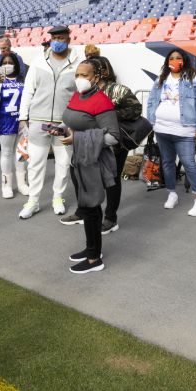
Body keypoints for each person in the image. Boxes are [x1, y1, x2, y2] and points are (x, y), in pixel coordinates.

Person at [59, 60, 122, 274]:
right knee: (86, 206)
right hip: (80, 159)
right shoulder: (78, 95)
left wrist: (78, 138)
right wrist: (60, 129)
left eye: (84, 75)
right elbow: (72, 120)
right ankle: (90, 249)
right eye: (77, 74)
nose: (79, 79)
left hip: (94, 162)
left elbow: (113, 137)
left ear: (96, 77)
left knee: (92, 207)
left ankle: (95, 259)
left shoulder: (102, 101)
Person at [18, 26, 78, 219]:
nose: (57, 41)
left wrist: (75, 120)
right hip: (38, 120)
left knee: (63, 162)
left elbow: (79, 95)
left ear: (68, 40)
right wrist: (23, 115)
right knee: (35, 163)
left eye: (61, 38)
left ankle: (58, 197)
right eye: (54, 38)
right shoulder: (39, 61)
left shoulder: (78, 62)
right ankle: (33, 201)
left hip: (64, 122)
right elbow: (28, 89)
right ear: (50, 40)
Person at [146, 49, 196, 217]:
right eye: (172, 58)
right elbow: (152, 99)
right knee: (167, 162)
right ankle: (172, 193)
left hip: (184, 130)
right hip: (161, 128)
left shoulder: (194, 78)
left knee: (189, 162)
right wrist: (151, 121)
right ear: (167, 61)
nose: (175, 60)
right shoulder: (161, 79)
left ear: (184, 60)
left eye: (178, 58)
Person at [89, 56, 139, 234]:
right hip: (91, 140)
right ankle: (86, 213)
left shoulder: (119, 90)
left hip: (114, 143)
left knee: (111, 179)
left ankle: (110, 218)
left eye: (91, 69)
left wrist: (111, 114)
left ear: (103, 71)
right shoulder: (86, 91)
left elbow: (136, 109)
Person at [0, 52, 29, 198]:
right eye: (4, 63)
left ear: (16, 65)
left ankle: (22, 183)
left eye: (10, 62)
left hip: (22, 120)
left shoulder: (22, 80)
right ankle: (6, 185)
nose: (7, 65)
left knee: (22, 152)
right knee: (6, 152)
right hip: (5, 120)